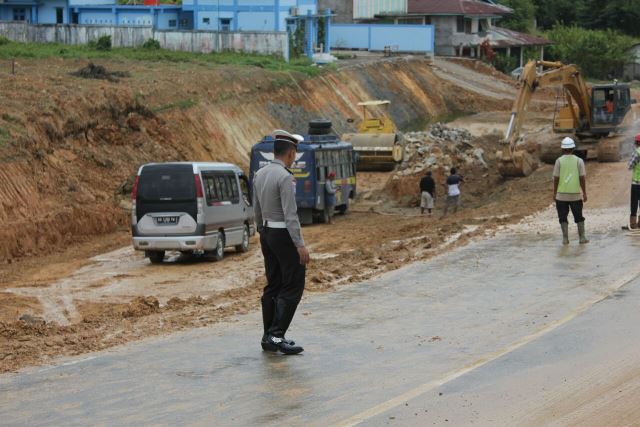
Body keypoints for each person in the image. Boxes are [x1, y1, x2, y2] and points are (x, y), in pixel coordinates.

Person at [253, 129, 310, 355]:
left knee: (273, 283)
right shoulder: (285, 177)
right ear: (291, 153)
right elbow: (290, 215)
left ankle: (269, 336)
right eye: (295, 152)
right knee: (293, 284)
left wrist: (261, 230)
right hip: (283, 235)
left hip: (266, 233)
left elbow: (256, 208)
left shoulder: (260, 173)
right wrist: (300, 244)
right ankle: (277, 335)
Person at [553, 137, 588, 245]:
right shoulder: (579, 161)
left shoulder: (558, 161)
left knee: (562, 217)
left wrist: (555, 193)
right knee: (579, 216)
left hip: (561, 195)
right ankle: (582, 238)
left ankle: (565, 239)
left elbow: (556, 178)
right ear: (573, 148)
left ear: (563, 149)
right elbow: (582, 178)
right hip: (575, 195)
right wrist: (584, 193)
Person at [627, 134, 640, 229]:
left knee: (634, 203)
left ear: (636, 142)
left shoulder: (637, 152)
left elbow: (630, 166)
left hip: (636, 183)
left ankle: (633, 224)